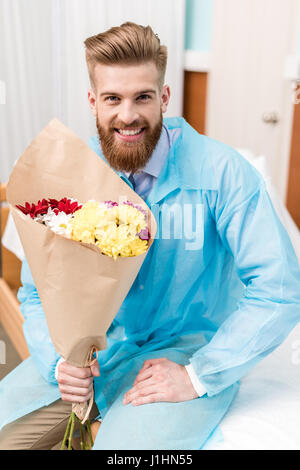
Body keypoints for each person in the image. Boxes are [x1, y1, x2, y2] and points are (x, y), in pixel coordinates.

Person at [0, 22, 300, 451]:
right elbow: (34, 291)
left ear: (163, 97)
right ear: (93, 102)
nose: (127, 115)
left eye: (142, 96)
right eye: (112, 99)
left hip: (185, 351)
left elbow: (280, 289)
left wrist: (199, 375)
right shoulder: (69, 175)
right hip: (91, 355)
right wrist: (57, 359)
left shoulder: (225, 174)